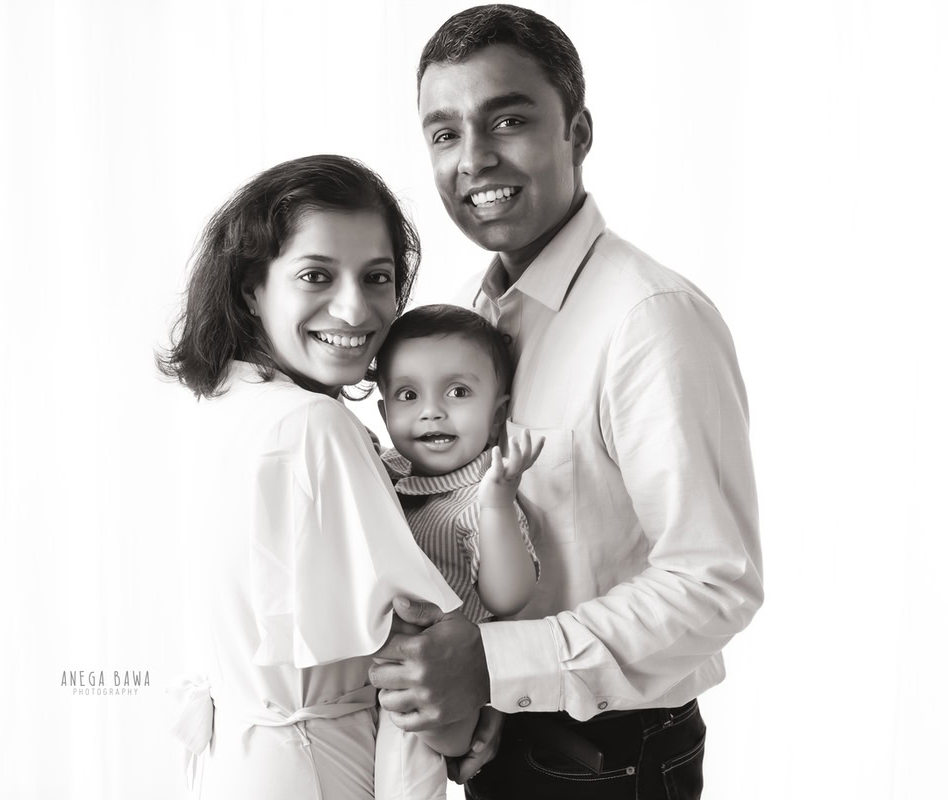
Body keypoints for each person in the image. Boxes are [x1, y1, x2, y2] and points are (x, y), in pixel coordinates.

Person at [369, 6, 764, 800]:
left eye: (506, 119)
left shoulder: (649, 318)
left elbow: (715, 581)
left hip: (611, 760)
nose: (473, 159)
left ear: (577, 132)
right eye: (444, 133)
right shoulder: (466, 324)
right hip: (504, 734)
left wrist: (494, 663)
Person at [160, 154, 462, 800]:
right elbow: (423, 652)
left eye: (376, 277)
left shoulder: (229, 405)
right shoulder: (309, 427)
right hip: (319, 767)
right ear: (252, 288)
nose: (354, 310)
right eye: (316, 275)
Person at [373, 303, 544, 762]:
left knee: (438, 741)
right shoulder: (384, 471)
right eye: (408, 396)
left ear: (495, 415)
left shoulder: (480, 495)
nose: (432, 412)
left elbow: (508, 597)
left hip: (444, 693)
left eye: (458, 392)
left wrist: (498, 505)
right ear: (384, 410)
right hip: (375, 679)